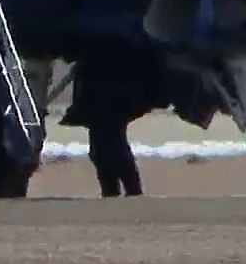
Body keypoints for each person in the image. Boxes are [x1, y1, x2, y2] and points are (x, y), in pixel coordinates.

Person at [60, 52, 169, 198]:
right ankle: (120, 191)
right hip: (104, 84)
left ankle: (126, 191)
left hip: (112, 85)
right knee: (105, 145)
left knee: (109, 144)